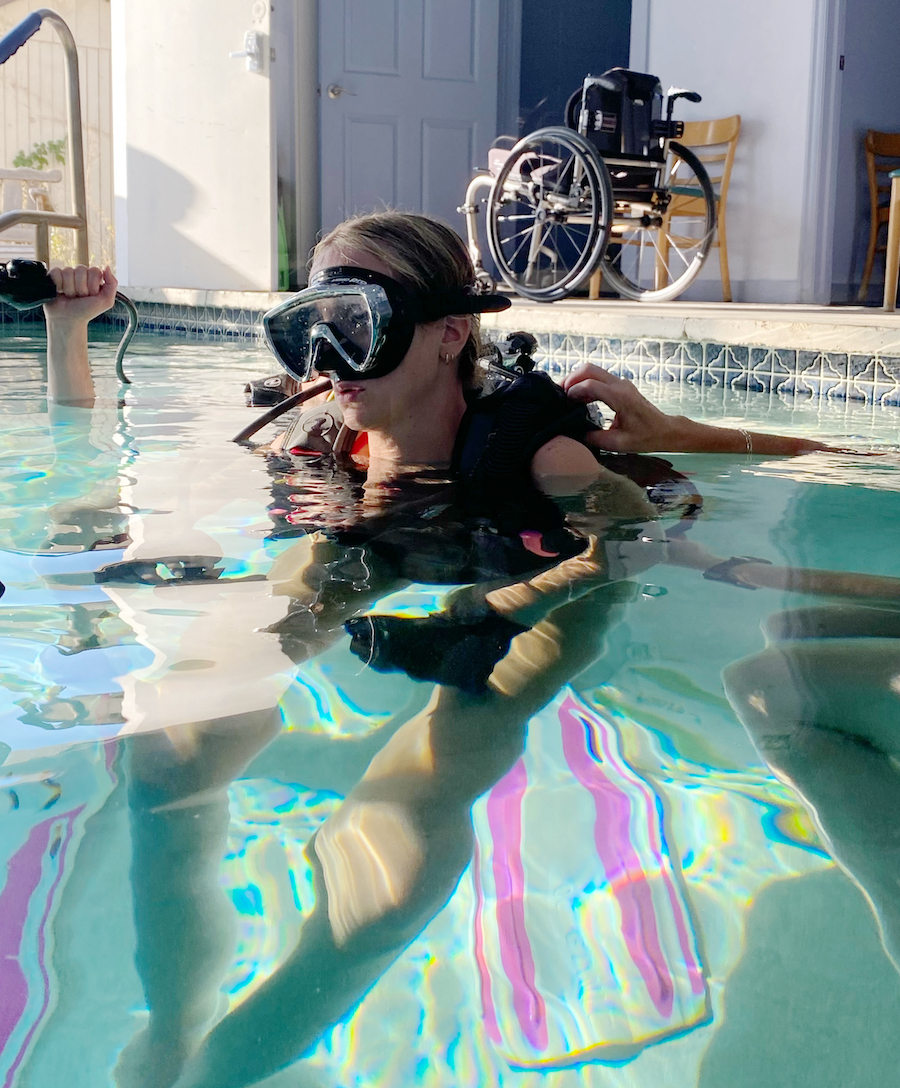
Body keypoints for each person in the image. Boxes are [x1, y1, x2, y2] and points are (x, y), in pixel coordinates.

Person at [36, 219, 900, 1088]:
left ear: (450, 332)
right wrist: (69, 335)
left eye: (360, 322)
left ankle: (224, 1064)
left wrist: (494, 612)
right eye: (312, 326)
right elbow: (89, 446)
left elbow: (627, 539)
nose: (330, 357)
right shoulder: (326, 441)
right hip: (376, 539)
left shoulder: (540, 451)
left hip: (533, 569)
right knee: (171, 748)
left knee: (398, 843)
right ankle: (173, 1025)